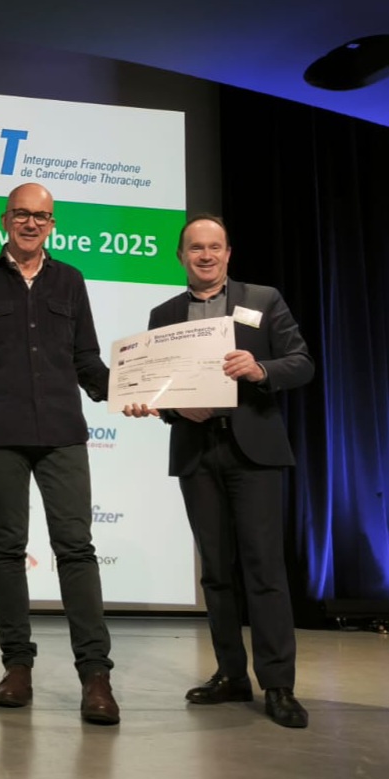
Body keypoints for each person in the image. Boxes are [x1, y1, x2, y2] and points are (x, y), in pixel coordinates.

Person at [123, 214, 313, 728]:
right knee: (215, 570)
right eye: (195, 248)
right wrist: (165, 405)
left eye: (214, 247)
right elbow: (157, 386)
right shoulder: (164, 313)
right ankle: (231, 674)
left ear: (228, 253)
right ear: (180, 256)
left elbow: (301, 362)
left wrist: (260, 369)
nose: (205, 255)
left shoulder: (263, 300)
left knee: (264, 569)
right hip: (198, 452)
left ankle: (278, 685)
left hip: (254, 452)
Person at [0, 182, 119, 725]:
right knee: (5, 549)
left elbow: (87, 359)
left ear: (52, 224)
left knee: (76, 550)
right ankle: (17, 667)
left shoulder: (71, 280)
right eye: (21, 214)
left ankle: (95, 676)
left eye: (41, 216)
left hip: (63, 434)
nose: (30, 223)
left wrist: (129, 390)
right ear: (4, 220)